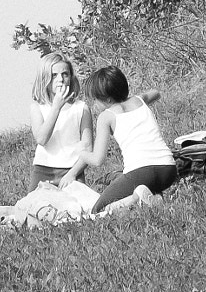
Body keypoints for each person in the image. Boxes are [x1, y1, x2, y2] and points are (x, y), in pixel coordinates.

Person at [60, 66, 178, 213]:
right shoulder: (139, 100)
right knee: (135, 183)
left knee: (98, 211)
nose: (94, 104)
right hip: (168, 170)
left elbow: (97, 160)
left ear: (108, 98)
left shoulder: (106, 117)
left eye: (95, 99)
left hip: (140, 172)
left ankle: (136, 197)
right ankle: (154, 197)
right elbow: (156, 93)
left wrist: (81, 151)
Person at [27, 56, 90, 191]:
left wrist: (72, 174)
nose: (60, 80)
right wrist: (56, 107)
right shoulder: (38, 107)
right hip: (43, 170)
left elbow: (88, 148)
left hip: (72, 171)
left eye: (65, 74)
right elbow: (42, 139)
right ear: (45, 78)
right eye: (54, 75)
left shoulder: (81, 108)